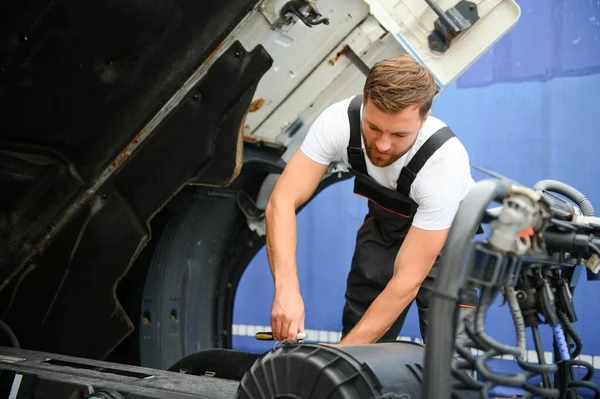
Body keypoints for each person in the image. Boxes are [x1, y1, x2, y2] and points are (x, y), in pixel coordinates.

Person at [264, 54, 478, 345]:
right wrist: (286, 289)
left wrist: (339, 357)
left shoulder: (444, 163)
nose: (382, 145)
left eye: (400, 134)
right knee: (360, 333)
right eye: (374, 127)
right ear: (365, 100)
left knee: (449, 356)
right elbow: (282, 201)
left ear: (424, 118)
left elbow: (407, 280)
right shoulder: (338, 122)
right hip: (384, 228)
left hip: (445, 240)